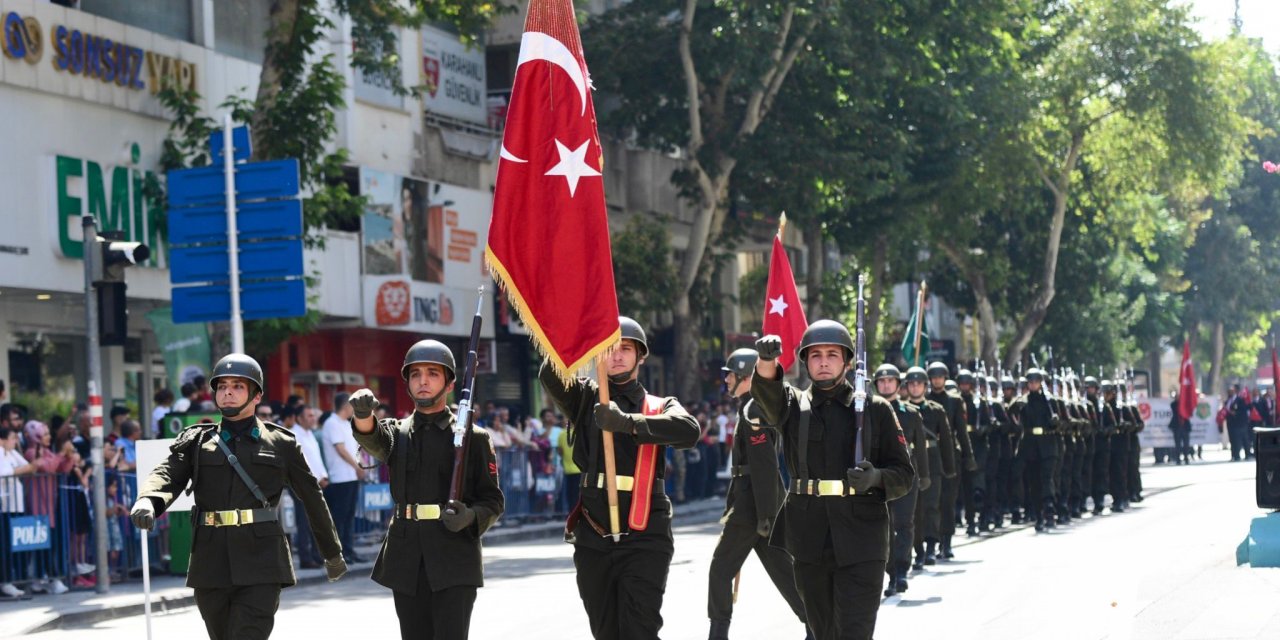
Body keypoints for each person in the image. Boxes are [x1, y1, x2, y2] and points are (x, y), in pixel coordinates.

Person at [131, 354, 346, 640]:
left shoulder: (281, 443)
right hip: (211, 562)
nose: (228, 392)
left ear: (257, 396)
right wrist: (149, 500)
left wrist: (331, 552)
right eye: (222, 386)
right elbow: (167, 474)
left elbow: (312, 497)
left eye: (238, 386)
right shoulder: (197, 441)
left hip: (262, 562)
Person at [750, 322, 914, 640]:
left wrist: (877, 477)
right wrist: (766, 361)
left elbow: (904, 474)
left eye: (832, 354)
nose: (823, 361)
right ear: (805, 361)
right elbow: (768, 396)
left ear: (848, 361)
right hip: (809, 537)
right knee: (822, 633)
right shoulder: (791, 406)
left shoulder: (876, 409)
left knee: (854, 631)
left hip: (862, 537)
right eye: (815, 355)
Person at [540, 316, 700, 640]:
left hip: (645, 532)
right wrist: (577, 331)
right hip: (593, 532)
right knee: (605, 631)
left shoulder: (659, 405)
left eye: (625, 348)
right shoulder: (584, 398)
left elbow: (689, 431)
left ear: (641, 356)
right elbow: (549, 374)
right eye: (609, 348)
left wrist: (628, 423)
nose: (616, 355)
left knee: (640, 629)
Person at [348, 340, 505, 639]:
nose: (423, 380)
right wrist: (363, 414)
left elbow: (493, 500)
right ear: (406, 382)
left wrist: (470, 516)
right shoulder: (397, 432)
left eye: (433, 373)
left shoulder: (475, 437)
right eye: (416, 373)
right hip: (406, 557)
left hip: (454, 554)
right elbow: (373, 439)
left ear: (449, 384)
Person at [707, 349, 807, 639]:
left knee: (720, 569)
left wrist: (765, 514)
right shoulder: (752, 407)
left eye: (731, 375)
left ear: (748, 377)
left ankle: (718, 633)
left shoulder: (754, 410)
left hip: (754, 506)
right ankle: (815, 623)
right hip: (758, 503)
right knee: (784, 574)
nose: (726, 381)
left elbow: (764, 465)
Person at [873, 364, 929, 597]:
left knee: (904, 524)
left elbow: (921, 449)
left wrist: (924, 474)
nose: (886, 384)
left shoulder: (911, 413)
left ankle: (902, 571)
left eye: (890, 381)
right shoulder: (868, 411)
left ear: (898, 384)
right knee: (883, 527)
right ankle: (890, 572)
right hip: (879, 477)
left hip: (906, 476)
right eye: (882, 381)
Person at [902, 366, 955, 569]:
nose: (915, 388)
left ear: (925, 386)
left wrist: (949, 467)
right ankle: (919, 550)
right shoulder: (901, 409)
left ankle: (932, 545)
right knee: (914, 511)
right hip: (910, 463)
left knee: (932, 506)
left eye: (919, 384)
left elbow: (946, 441)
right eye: (912, 384)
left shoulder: (936, 409)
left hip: (932, 463)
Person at [925, 362, 973, 559]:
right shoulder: (924, 401)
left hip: (951, 456)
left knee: (947, 502)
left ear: (945, 378)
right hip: (929, 458)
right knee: (931, 503)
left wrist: (969, 456)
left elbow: (961, 432)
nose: (936, 380)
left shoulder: (954, 401)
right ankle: (931, 542)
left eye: (939, 377)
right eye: (933, 377)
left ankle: (946, 542)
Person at [1008, 368, 1061, 531]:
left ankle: (1050, 509)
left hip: (1047, 444)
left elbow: (1060, 421)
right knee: (1034, 482)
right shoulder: (1023, 401)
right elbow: (1011, 411)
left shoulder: (1050, 401)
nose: (1033, 384)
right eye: (1030, 382)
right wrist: (1017, 404)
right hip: (1030, 445)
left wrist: (1055, 421)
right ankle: (1038, 515)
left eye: (1036, 381)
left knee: (1047, 478)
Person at [322, 392, 365, 564]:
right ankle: (339, 553)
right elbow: (340, 449)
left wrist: (359, 466)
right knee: (340, 517)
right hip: (340, 477)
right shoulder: (331, 423)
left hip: (351, 476)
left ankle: (349, 550)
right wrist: (357, 467)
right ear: (346, 406)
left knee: (349, 516)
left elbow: (353, 449)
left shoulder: (346, 424)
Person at [286, 405, 328, 569]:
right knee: (304, 522)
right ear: (299, 418)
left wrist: (323, 476)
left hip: (316, 484)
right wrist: (316, 478)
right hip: (302, 485)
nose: (313, 418)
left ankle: (316, 555)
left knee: (315, 522)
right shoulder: (294, 434)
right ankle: (305, 557)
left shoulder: (310, 434)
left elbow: (316, 459)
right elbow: (302, 462)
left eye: (313, 415)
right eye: (309, 416)